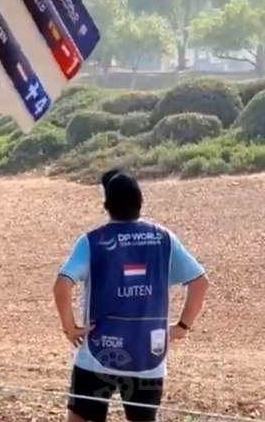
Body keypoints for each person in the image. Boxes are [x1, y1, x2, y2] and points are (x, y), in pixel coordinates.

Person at [52, 170, 211, 422]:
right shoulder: (164, 238)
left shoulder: (92, 241)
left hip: (98, 353)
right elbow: (200, 283)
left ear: (106, 206)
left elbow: (62, 284)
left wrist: (69, 328)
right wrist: (182, 326)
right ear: (140, 201)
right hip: (148, 354)